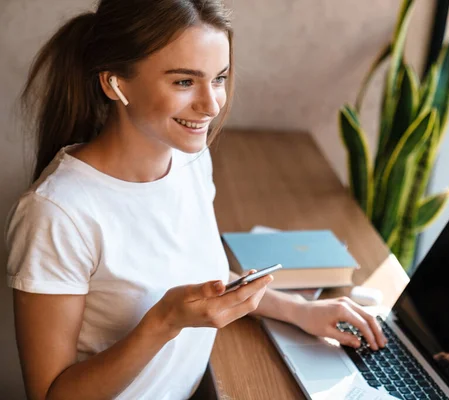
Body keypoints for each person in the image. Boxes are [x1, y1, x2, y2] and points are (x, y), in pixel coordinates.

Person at [4, 1, 388, 399]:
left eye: (218, 78)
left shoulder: (191, 160)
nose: (212, 104)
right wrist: (165, 322)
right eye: (184, 82)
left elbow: (199, 281)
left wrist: (300, 311)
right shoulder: (57, 213)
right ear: (114, 83)